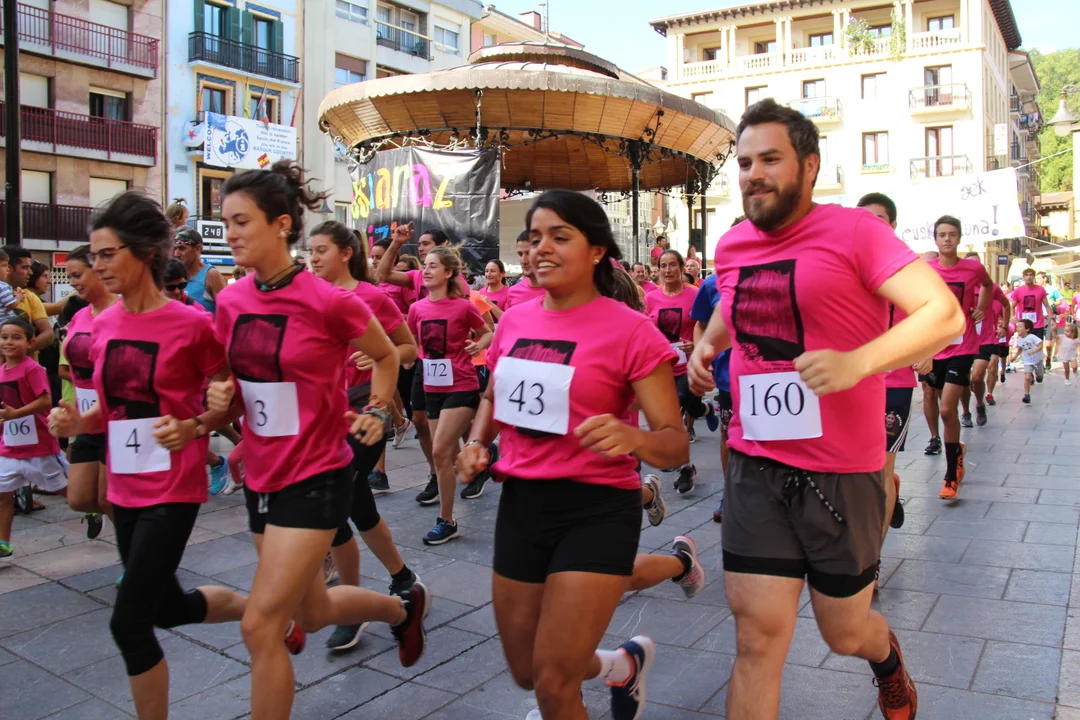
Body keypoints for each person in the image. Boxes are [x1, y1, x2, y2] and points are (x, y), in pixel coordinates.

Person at [688, 99, 965, 720]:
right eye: (744, 163)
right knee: (756, 639)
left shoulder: (857, 232)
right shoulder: (733, 245)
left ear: (809, 166)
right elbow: (736, 300)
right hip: (756, 463)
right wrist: (709, 345)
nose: (753, 174)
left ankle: (885, 659)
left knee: (844, 631)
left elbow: (944, 315)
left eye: (769, 159)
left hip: (842, 472)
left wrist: (857, 363)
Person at [207, 162, 430, 719]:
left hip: (317, 471)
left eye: (241, 221)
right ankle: (402, 611)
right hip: (262, 473)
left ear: (281, 224)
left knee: (261, 624)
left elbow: (387, 355)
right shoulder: (231, 302)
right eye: (225, 222)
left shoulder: (330, 300)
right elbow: (234, 381)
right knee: (309, 611)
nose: (230, 234)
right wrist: (217, 400)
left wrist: (377, 409)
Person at [459, 190, 690, 720]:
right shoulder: (514, 321)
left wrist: (633, 438)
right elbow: (493, 394)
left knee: (554, 682)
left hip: (597, 509)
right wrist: (476, 443)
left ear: (596, 250)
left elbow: (674, 443)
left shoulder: (631, 329)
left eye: (559, 237)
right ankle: (621, 665)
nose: (541, 248)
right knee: (527, 671)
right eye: (535, 237)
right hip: (521, 505)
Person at [46, 192, 251, 717]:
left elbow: (230, 396)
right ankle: (263, 615)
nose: (98, 265)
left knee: (128, 622)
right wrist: (77, 422)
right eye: (94, 256)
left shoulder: (192, 324)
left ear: (144, 252)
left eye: (107, 254)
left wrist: (197, 425)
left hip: (173, 486)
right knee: (168, 607)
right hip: (125, 484)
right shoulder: (103, 324)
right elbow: (111, 410)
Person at [308, 220, 421, 651]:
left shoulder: (371, 297)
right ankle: (403, 579)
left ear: (345, 253)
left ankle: (349, 607)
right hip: (324, 417)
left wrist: (377, 356)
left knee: (333, 499)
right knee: (357, 504)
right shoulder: (308, 297)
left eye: (321, 250)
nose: (313, 258)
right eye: (310, 251)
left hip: (365, 413)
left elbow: (407, 349)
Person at [408, 247, 491, 543]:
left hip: (462, 385)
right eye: (425, 266)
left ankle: (444, 519)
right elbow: (412, 342)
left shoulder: (463, 306)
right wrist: (409, 360)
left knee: (440, 450)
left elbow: (488, 331)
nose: (426, 271)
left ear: (448, 272)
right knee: (442, 455)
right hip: (432, 387)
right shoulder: (417, 309)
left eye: (433, 266)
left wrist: (478, 345)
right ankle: (449, 519)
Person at [855, 192, 913, 582]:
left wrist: (925, 352)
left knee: (879, 472)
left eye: (878, 219)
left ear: (892, 225)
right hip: (852, 382)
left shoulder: (907, 269)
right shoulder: (845, 268)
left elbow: (929, 316)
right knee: (859, 473)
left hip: (894, 382)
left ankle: (871, 562)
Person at [921, 216, 992, 500]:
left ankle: (951, 476)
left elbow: (987, 285)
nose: (947, 239)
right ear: (935, 239)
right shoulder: (927, 270)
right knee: (933, 398)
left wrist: (981, 308)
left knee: (947, 409)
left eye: (952, 234)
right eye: (942, 235)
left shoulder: (973, 268)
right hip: (934, 346)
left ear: (960, 238)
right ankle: (954, 448)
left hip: (962, 347)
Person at [59, 246, 118, 541]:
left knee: (109, 500)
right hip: (84, 417)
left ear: (98, 271)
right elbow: (69, 365)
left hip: (115, 419)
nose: (73, 283)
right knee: (79, 498)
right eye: (70, 276)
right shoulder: (79, 315)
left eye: (77, 275)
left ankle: (136, 553)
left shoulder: (122, 311)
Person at [0, 318, 70, 558]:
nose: (9, 342)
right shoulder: (1, 371)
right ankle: (3, 542)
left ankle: (91, 508)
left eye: (16, 337)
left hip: (40, 444)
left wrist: (15, 414)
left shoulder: (32, 369)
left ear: (30, 343)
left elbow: (45, 401)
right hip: (10, 446)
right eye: (4, 337)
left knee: (65, 489)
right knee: (2, 494)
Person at [645, 249, 703, 494]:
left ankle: (703, 410)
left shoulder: (695, 295)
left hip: (689, 364)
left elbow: (707, 326)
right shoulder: (651, 298)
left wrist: (697, 344)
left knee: (681, 404)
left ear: (681, 268)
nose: (667, 270)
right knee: (675, 413)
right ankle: (686, 466)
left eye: (672, 265)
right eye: (663, 266)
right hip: (663, 366)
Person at [3, 246, 56, 360]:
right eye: (25, 267)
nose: (30, 272)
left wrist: (20, 349)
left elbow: (48, 334)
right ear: (9, 268)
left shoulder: (29, 297)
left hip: (26, 369)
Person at [173, 227, 227, 314]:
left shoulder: (211, 275)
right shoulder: (174, 276)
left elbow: (226, 312)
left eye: (182, 248)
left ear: (197, 249)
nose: (176, 254)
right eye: (175, 249)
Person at [504, 231, 547, 310]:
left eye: (529, 253)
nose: (523, 261)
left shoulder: (558, 292)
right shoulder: (513, 292)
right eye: (520, 254)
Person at [1010, 319, 1044, 403]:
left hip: (1037, 359)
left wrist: (1034, 351)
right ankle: (1026, 395)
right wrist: (1015, 357)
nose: (1018, 328)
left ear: (1027, 329)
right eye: (1017, 327)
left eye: (1020, 327)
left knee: (1039, 376)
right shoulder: (1019, 340)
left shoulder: (1032, 337)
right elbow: (1020, 349)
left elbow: (1040, 345)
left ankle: (1039, 376)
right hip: (1027, 361)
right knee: (1027, 377)